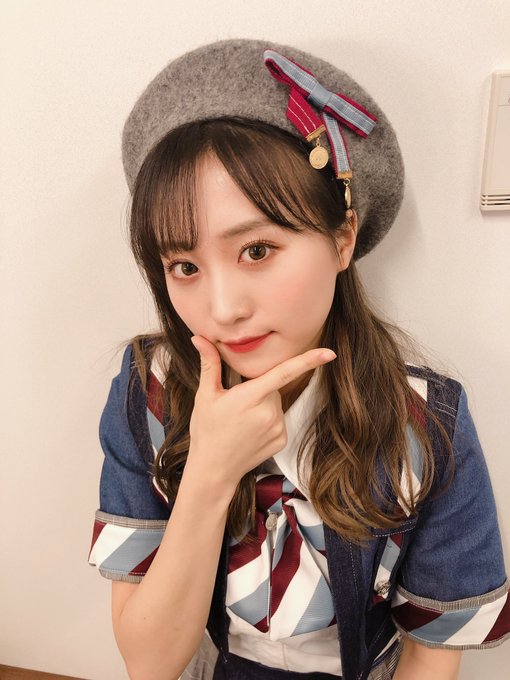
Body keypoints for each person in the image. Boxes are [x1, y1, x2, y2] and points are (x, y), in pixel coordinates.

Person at [88, 39, 509, 680]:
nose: (222, 309)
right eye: (184, 266)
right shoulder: (150, 394)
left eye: (256, 250)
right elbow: (149, 663)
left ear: (342, 239)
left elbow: (431, 654)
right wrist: (209, 473)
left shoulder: (425, 424)